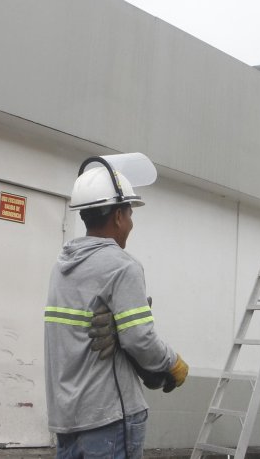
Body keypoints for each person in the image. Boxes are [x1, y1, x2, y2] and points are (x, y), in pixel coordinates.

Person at [44, 154, 187, 459]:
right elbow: (140, 339)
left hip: (68, 420)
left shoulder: (62, 266)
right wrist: (172, 362)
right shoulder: (122, 267)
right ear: (119, 216)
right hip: (110, 416)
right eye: (130, 214)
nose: (131, 223)